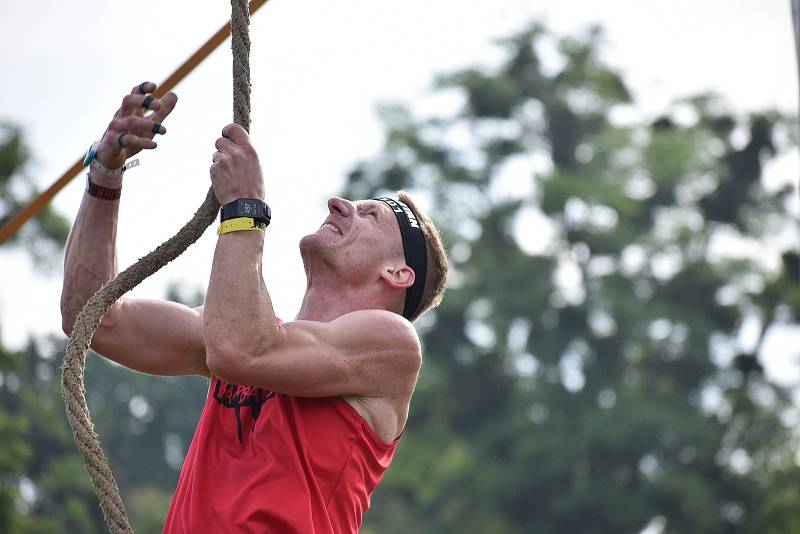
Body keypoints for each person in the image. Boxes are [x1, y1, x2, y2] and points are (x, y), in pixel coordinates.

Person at [60, 81, 448, 533]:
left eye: (370, 214)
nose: (339, 205)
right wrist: (105, 175)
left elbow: (240, 351)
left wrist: (246, 207)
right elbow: (92, 319)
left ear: (398, 274)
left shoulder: (392, 346)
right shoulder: (240, 331)